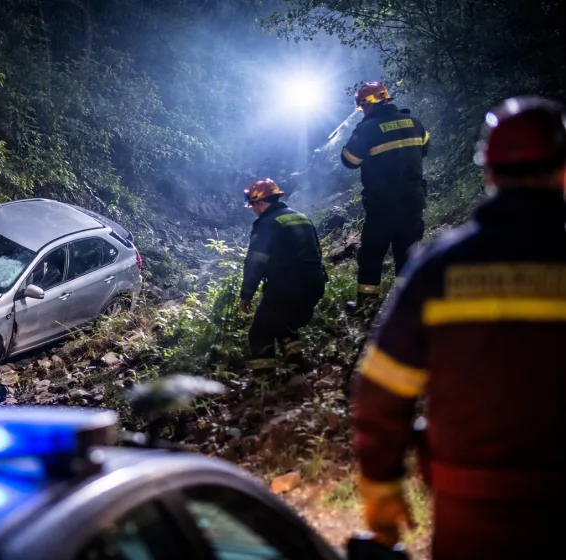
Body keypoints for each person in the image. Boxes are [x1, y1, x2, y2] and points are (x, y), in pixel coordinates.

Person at [351, 96, 566, 559]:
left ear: (489, 174)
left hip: (469, 507)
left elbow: (381, 391)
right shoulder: (412, 122)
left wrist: (381, 485)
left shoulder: (440, 268)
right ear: (563, 171)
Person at [341, 82, 430, 313]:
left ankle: (367, 307)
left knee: (371, 255)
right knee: (407, 253)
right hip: (413, 200)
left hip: (383, 204)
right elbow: (425, 149)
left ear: (367, 104)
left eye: (362, 106)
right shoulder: (414, 122)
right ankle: (407, 306)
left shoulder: (367, 129)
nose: (363, 110)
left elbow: (349, 161)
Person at [238, 179, 326, 376]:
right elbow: (317, 252)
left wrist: (246, 295)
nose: (254, 210)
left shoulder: (266, 224)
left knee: (260, 332)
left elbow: (255, 262)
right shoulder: (302, 217)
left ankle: (264, 382)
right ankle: (296, 372)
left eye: (253, 205)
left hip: (287, 288)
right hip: (315, 285)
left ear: (260, 203)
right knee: (286, 326)